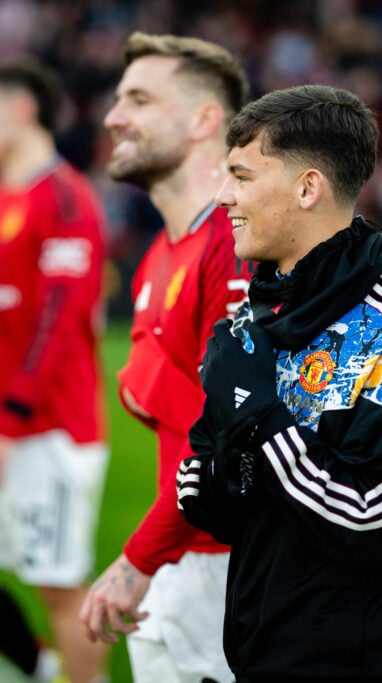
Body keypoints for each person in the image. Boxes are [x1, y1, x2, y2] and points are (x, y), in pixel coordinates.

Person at [176, 83, 382, 683]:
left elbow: (371, 520)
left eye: (241, 176)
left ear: (308, 188)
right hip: (253, 659)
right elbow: (198, 486)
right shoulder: (250, 321)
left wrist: (258, 418)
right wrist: (241, 468)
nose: (222, 195)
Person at [0, 59, 109, 683]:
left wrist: (10, 418)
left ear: (22, 110)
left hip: (49, 427)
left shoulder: (65, 197)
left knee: (59, 588)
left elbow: (60, 322)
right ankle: (40, 667)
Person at [79, 33, 252, 683]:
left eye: (139, 99)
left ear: (206, 119)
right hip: (184, 556)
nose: (113, 116)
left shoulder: (232, 245)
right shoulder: (159, 253)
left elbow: (232, 435)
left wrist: (136, 560)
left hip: (234, 563)